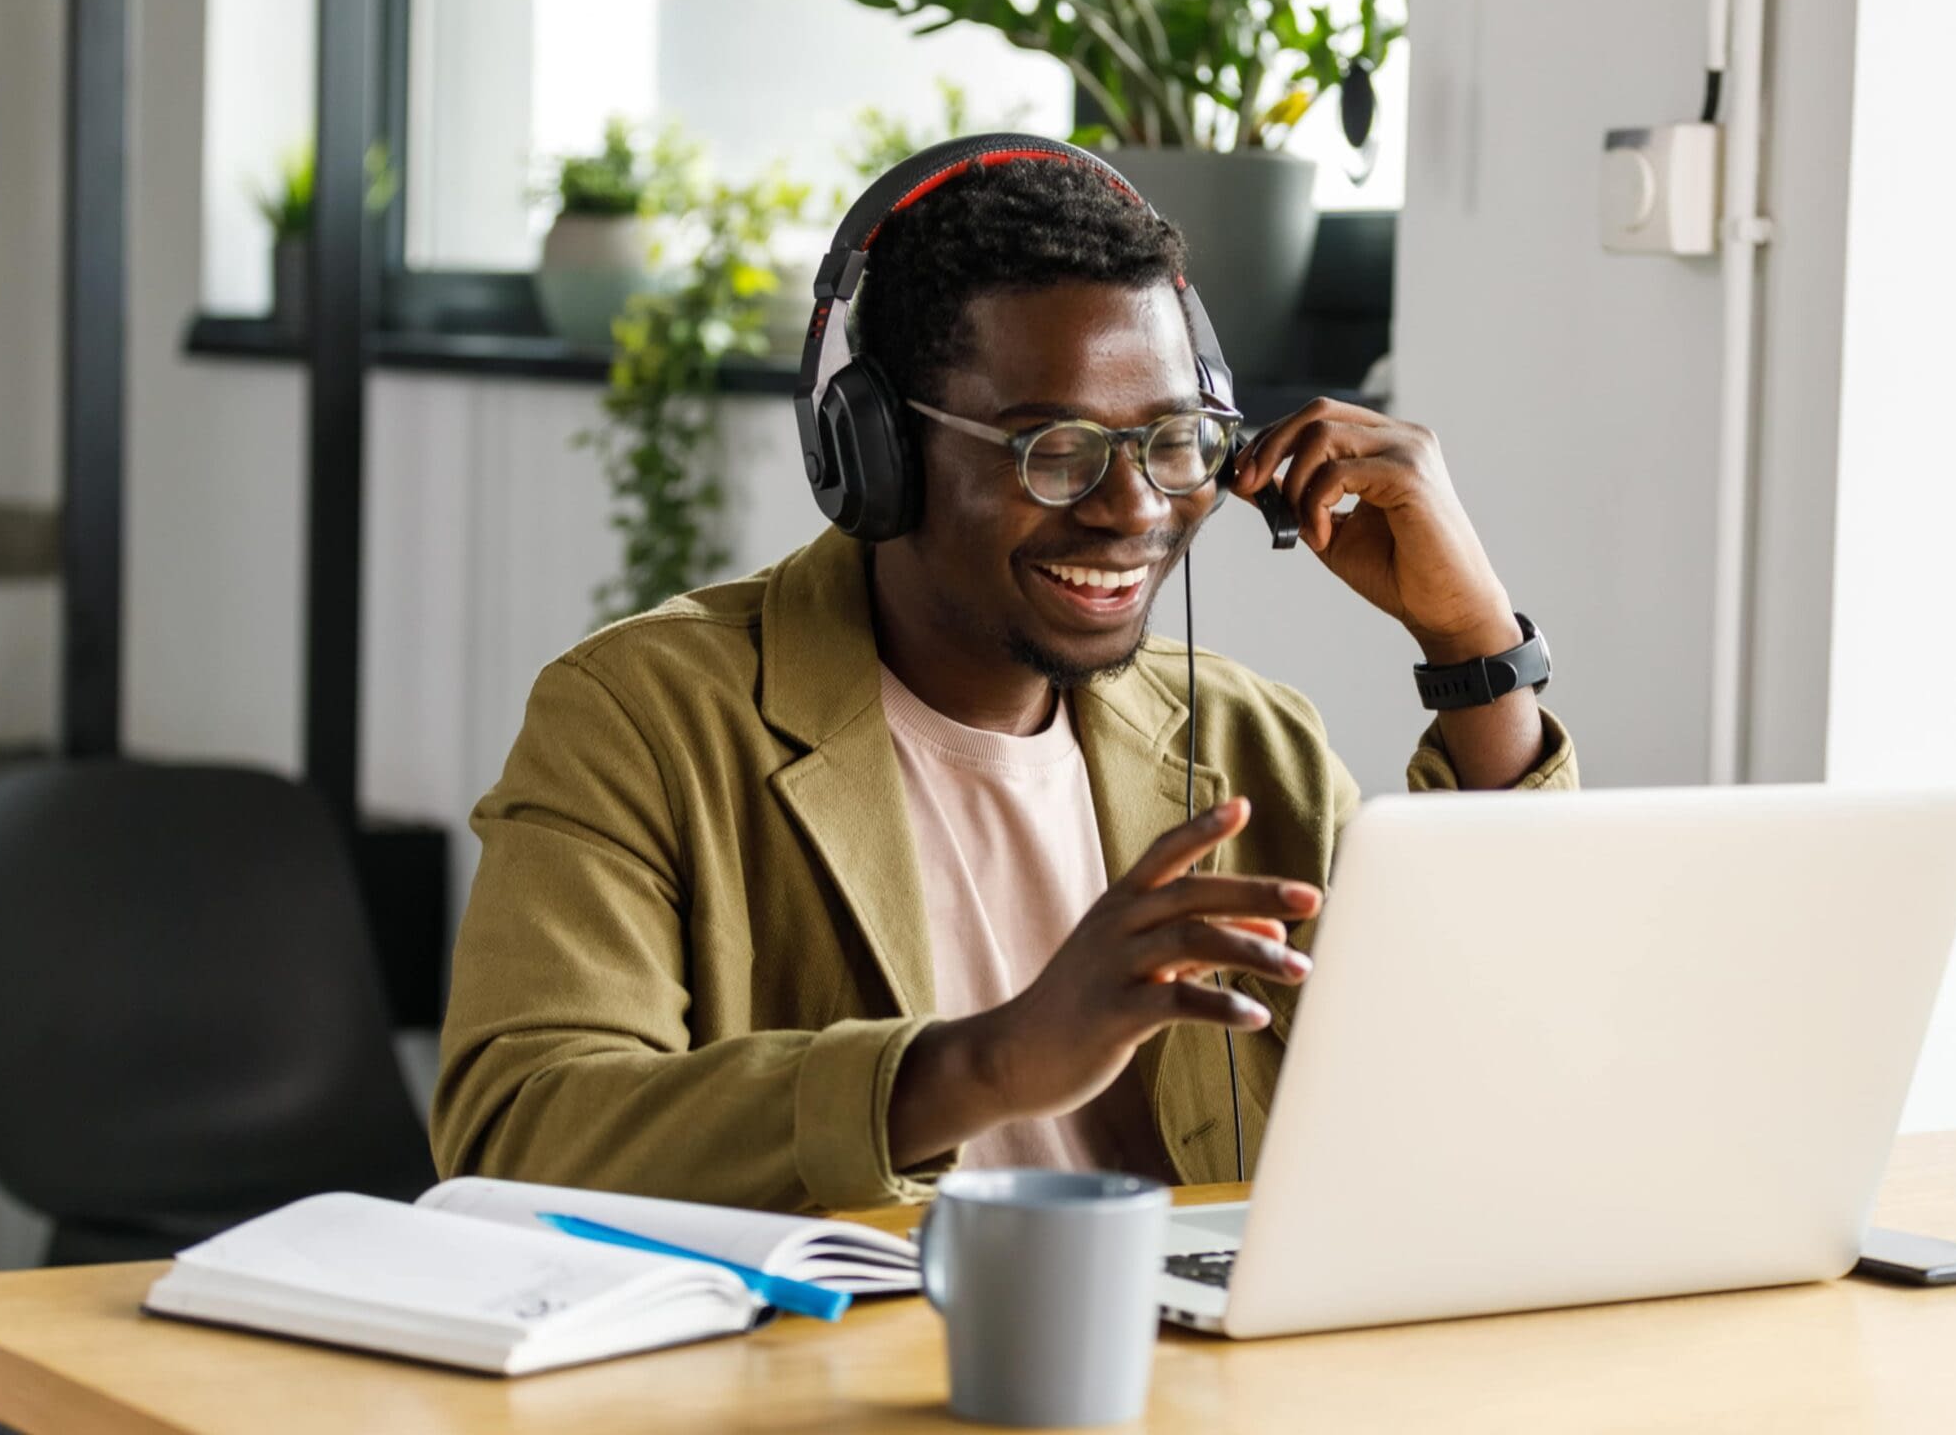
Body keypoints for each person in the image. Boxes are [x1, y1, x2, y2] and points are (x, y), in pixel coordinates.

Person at [431, 151, 1577, 1213]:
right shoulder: (647, 717)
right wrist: (988, 1063)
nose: (1131, 509)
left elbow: (1510, 1056)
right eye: (1056, 450)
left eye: (1174, 440)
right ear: (876, 453)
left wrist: (1472, 642)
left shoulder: (1246, 741)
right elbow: (518, 1131)